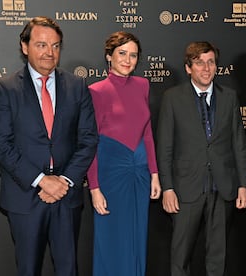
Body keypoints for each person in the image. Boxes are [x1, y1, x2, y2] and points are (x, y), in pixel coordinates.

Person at [0, 16, 98, 276]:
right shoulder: (5, 88)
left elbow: (88, 139)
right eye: (41, 45)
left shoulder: (77, 86)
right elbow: (0, 145)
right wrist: (41, 180)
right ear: (24, 47)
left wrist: (65, 180)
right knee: (28, 269)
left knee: (68, 269)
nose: (50, 52)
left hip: (66, 195)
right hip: (25, 197)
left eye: (56, 46)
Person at [157, 41, 246, 276]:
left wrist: (243, 185)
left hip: (223, 186)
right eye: (199, 63)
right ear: (189, 68)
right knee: (181, 256)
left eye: (211, 62)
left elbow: (238, 143)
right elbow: (165, 146)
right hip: (186, 188)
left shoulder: (229, 97)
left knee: (218, 254)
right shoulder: (172, 98)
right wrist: (167, 187)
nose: (206, 68)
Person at [86, 31, 161, 276]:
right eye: (122, 53)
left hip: (139, 173)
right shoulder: (96, 91)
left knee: (137, 237)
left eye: (133, 55)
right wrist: (94, 188)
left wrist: (154, 173)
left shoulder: (143, 85)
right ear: (109, 56)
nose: (128, 60)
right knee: (112, 240)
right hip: (111, 176)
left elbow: (147, 131)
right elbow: (91, 142)